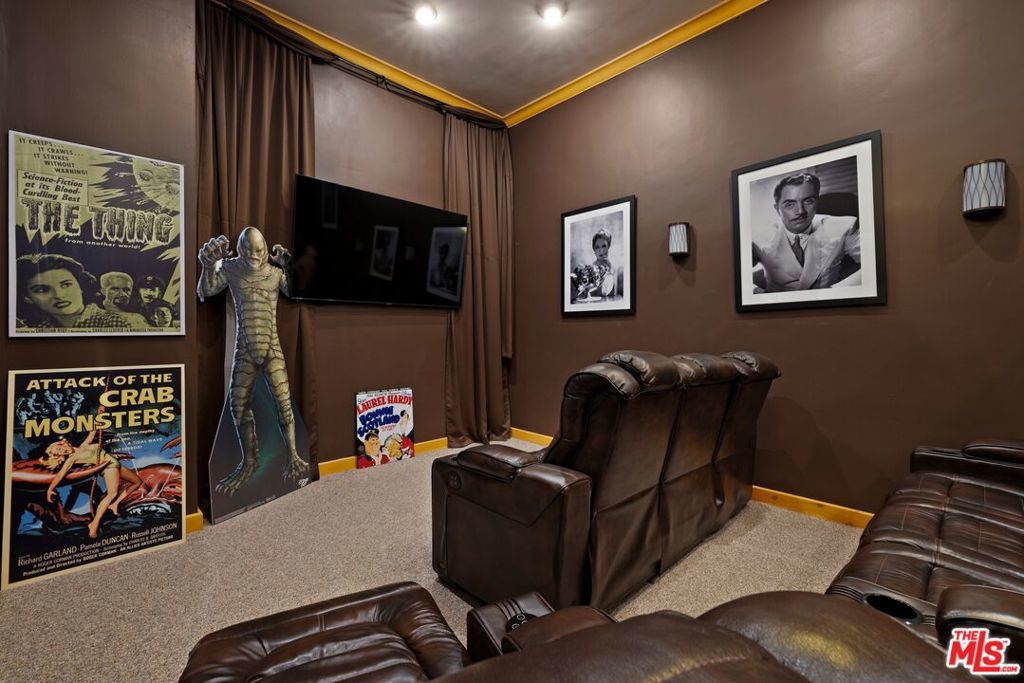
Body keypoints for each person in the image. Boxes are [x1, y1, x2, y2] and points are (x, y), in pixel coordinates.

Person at [751, 173, 860, 292]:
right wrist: (757, 293)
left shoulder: (844, 227)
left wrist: (834, 292)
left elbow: (872, 264)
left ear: (816, 202)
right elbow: (736, 273)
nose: (800, 211)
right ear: (777, 209)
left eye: (808, 201)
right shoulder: (759, 237)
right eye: (789, 204)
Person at [42, 429, 146, 538]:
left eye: (59, 449)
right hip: (109, 467)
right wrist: (50, 489)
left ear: (62, 444)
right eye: (58, 453)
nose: (61, 452)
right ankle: (94, 524)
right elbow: (60, 475)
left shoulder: (84, 445)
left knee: (137, 482)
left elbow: (92, 432)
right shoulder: (71, 459)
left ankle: (115, 504)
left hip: (115, 462)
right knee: (112, 494)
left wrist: (98, 421)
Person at [15, 254, 132, 332]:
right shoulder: (36, 327)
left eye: (66, 285)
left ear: (81, 286)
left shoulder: (114, 322)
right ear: (27, 298)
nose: (59, 295)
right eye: (42, 290)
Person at [571, 229, 617, 302]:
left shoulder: (614, 267)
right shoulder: (590, 270)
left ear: (609, 247)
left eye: (604, 246)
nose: (601, 250)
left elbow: (608, 292)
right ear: (594, 250)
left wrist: (610, 267)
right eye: (597, 247)